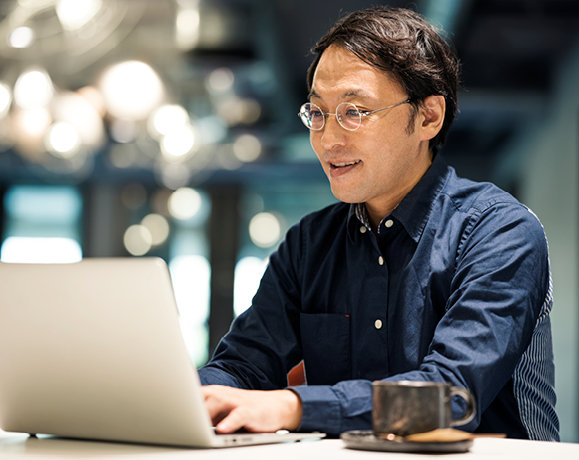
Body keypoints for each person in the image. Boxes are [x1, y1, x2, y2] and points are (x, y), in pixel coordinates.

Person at [198, 7, 559, 441]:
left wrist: (291, 405)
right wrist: (189, 397)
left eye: (354, 111)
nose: (329, 140)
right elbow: (242, 365)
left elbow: (448, 397)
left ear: (428, 117)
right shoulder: (310, 244)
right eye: (317, 113)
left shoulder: (498, 231)